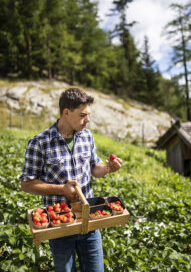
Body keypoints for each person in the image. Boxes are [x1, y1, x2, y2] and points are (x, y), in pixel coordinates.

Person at [20, 87, 122, 272]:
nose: (88, 120)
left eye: (88, 114)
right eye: (83, 115)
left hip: (89, 219)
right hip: (60, 224)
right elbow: (26, 184)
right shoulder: (40, 142)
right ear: (66, 112)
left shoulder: (87, 136)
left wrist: (106, 169)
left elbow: (94, 168)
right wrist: (61, 190)